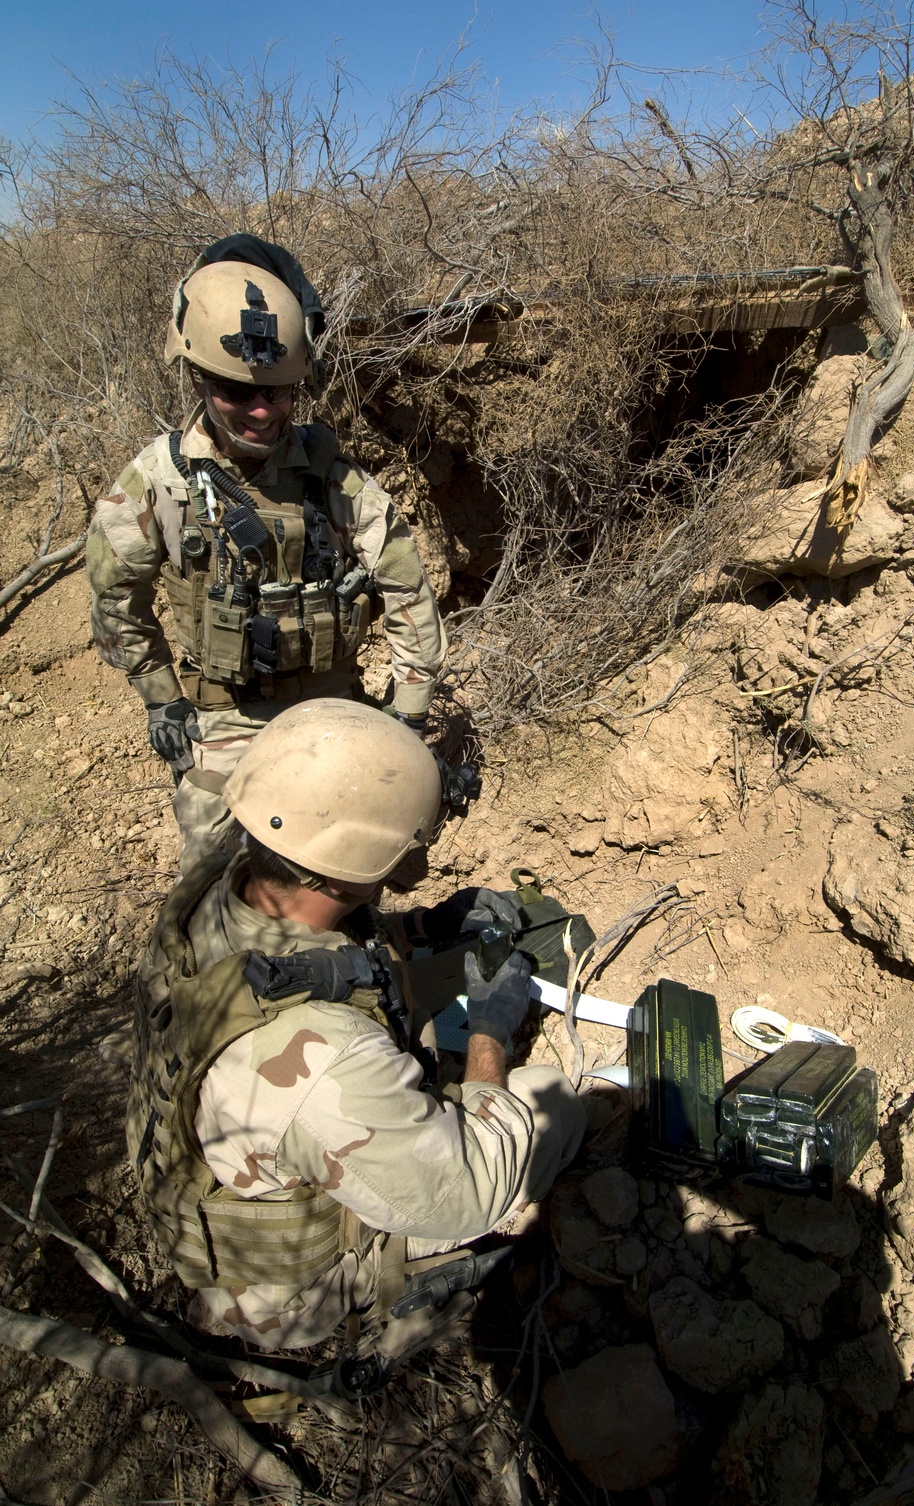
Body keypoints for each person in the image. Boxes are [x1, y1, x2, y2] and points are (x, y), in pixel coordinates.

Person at [127, 699, 585, 1367]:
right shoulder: (327, 1061)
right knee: (552, 1101)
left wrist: (424, 927)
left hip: (215, 1167)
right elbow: (463, 1191)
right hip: (276, 1285)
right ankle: (391, 1299)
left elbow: (319, 956)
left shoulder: (220, 880)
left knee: (441, 984)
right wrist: (490, 1031)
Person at [86, 236, 447, 868]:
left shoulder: (330, 476)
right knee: (220, 868)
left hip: (333, 706)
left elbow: (405, 586)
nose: (260, 411)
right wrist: (160, 695)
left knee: (371, 861)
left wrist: (409, 711)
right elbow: (116, 600)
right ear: (197, 378)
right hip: (226, 718)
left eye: (277, 393)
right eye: (236, 392)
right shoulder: (158, 482)